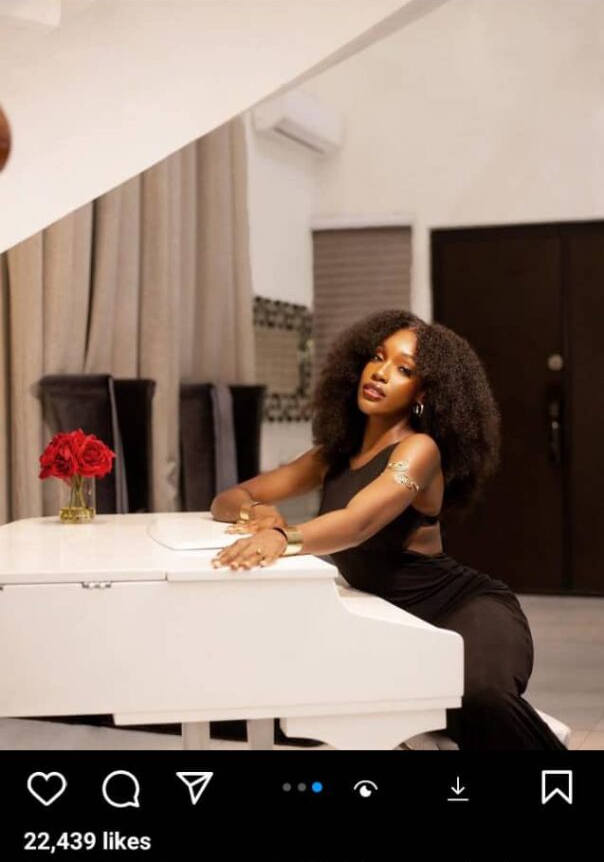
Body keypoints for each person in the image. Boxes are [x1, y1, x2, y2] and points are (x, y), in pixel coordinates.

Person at [211, 310, 566, 751]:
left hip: (461, 610)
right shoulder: (332, 455)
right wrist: (258, 511)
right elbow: (228, 498)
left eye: (404, 370)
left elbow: (359, 522)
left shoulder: (419, 450)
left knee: (479, 698)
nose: (380, 373)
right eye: (378, 357)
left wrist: (284, 537)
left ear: (423, 393)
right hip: (387, 621)